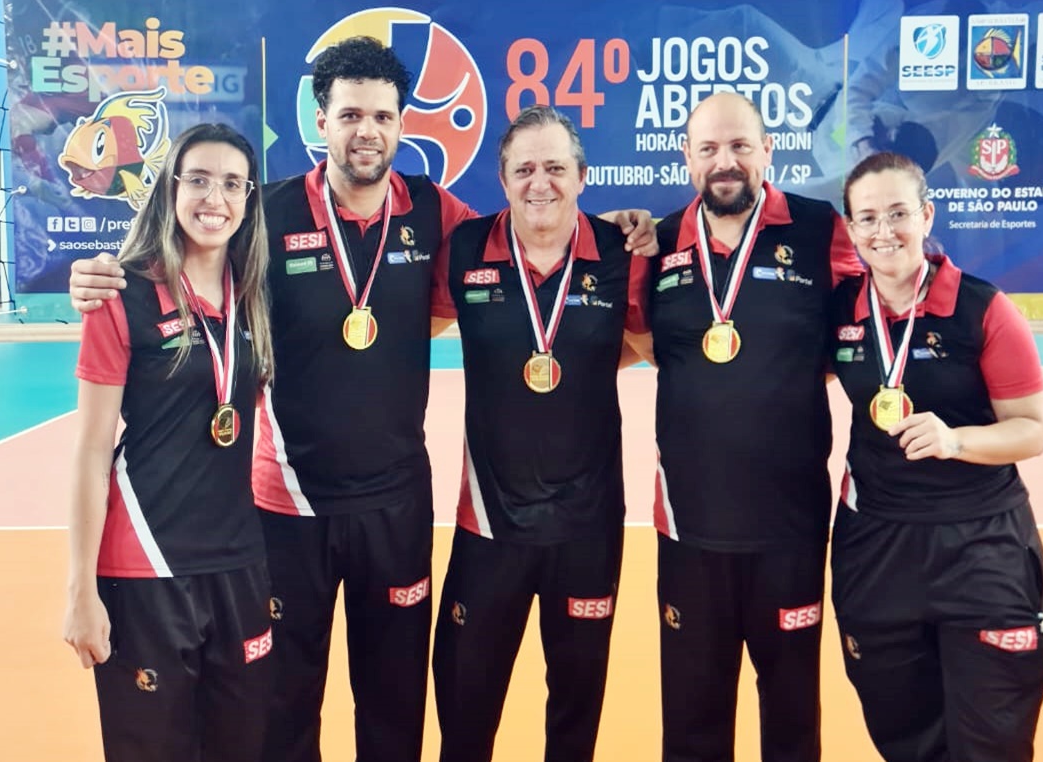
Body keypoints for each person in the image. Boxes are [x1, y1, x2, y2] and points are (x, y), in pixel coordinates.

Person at [68, 38, 654, 762]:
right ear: (321, 122)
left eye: (381, 115)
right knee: (285, 707)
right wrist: (107, 274)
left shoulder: (437, 216)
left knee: (394, 705)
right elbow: (188, 253)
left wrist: (622, 226)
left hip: (396, 507)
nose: (366, 131)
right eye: (349, 114)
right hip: (288, 507)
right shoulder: (266, 214)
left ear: (403, 124)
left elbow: (530, 241)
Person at [625, 91, 862, 762]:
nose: (724, 161)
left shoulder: (819, 228)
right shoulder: (660, 241)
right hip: (689, 525)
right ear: (686, 159)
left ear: (768, 151)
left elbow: (864, 331)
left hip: (789, 525)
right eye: (708, 149)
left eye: (739, 146)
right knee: (693, 719)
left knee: (791, 718)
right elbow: (632, 337)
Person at [432, 104, 650, 762]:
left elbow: (650, 341)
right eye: (524, 169)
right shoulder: (465, 246)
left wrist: (582, 356)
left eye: (556, 167)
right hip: (489, 526)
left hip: (586, 528)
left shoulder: (620, 252)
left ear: (582, 176)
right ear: (502, 179)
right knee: (465, 715)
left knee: (574, 721)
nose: (540, 182)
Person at [62, 122, 275, 761]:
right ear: (170, 190)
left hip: (239, 560)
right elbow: (92, 449)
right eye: (200, 180)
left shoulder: (258, 292)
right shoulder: (122, 295)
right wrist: (80, 589)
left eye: (232, 184)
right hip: (144, 565)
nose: (216, 198)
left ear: (249, 199)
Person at [829, 151, 1043, 762]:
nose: (884, 231)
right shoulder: (839, 312)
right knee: (904, 735)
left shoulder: (984, 309)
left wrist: (958, 440)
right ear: (850, 230)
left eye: (899, 213)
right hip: (875, 548)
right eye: (867, 217)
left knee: (993, 738)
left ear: (927, 216)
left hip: (980, 547)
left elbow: (1032, 430)